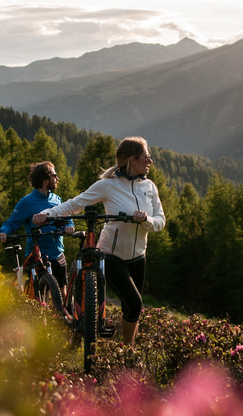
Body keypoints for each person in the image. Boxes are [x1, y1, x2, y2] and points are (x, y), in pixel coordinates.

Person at [33, 136, 165, 347]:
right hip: (112, 255)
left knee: (130, 308)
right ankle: (127, 351)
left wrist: (147, 220)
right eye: (146, 157)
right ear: (132, 160)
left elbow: (161, 220)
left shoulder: (149, 187)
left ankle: (128, 348)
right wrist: (47, 213)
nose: (150, 161)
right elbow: (75, 204)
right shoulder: (108, 186)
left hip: (139, 256)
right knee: (135, 304)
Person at [0, 161, 74, 297]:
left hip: (57, 254)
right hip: (37, 257)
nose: (57, 179)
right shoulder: (26, 202)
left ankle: (63, 316)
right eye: (54, 176)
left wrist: (69, 226)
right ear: (46, 179)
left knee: (63, 295)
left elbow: (68, 220)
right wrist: (3, 232)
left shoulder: (57, 199)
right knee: (38, 297)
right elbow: (11, 222)